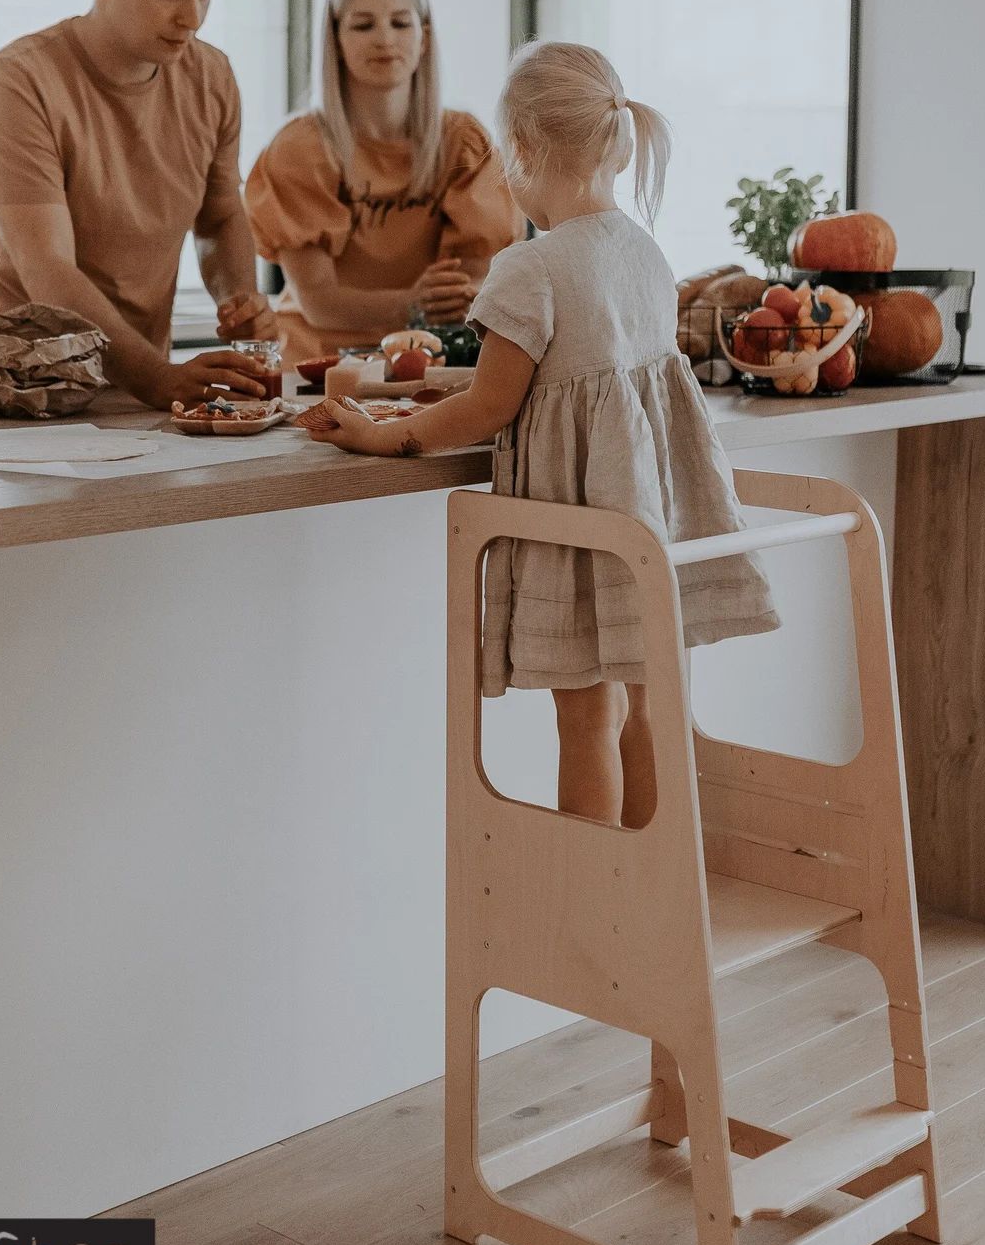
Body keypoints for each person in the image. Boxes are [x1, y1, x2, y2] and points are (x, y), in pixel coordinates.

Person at [306, 41, 781, 827]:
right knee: (651, 709)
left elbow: (490, 406)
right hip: (651, 523)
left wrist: (381, 437)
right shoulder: (646, 253)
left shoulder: (530, 268)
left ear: (521, 150)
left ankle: (595, 903)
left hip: (581, 532)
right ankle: (650, 884)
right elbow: (582, 377)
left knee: (584, 721)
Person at [0, 0, 277, 410]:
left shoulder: (214, 76)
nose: (192, 18)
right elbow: (48, 268)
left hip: (137, 386)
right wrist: (157, 377)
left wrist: (239, 299)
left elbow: (220, 217)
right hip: (18, 390)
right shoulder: (19, 80)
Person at [244, 0, 521, 364]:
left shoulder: (465, 144)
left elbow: (469, 290)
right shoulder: (297, 150)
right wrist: (413, 302)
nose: (384, 39)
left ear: (423, 37)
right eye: (362, 25)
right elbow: (320, 303)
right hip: (316, 368)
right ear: (336, 38)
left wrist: (435, 304)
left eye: (400, 23)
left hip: (432, 363)